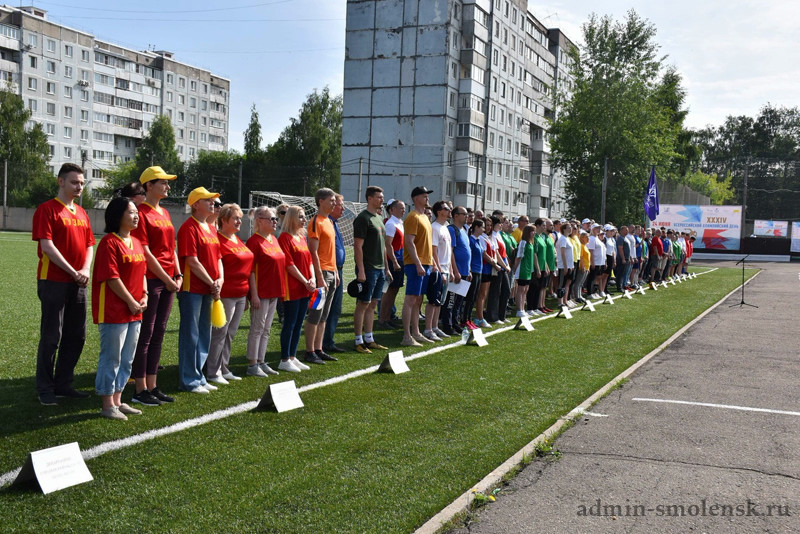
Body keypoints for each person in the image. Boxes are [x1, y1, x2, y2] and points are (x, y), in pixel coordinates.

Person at [32, 163, 95, 405]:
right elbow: (47, 247)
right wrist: (73, 271)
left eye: (81, 182)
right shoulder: (47, 209)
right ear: (60, 182)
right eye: (74, 182)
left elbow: (90, 244)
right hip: (53, 281)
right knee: (51, 337)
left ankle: (64, 383)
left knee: (77, 335)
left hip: (78, 281)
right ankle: (45, 388)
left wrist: (85, 269)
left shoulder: (81, 212)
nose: (79, 187)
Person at [92, 197, 148, 420]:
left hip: (135, 310)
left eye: (136, 212)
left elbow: (142, 272)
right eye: (131, 212)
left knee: (127, 359)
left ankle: (118, 399)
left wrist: (143, 295)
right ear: (117, 216)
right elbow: (112, 278)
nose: (136, 216)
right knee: (112, 357)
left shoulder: (135, 242)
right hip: (114, 311)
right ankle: (107, 404)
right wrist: (131, 301)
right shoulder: (109, 242)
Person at [130, 166, 180, 407]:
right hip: (151, 280)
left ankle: (153, 385)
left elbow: (172, 248)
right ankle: (140, 388)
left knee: (158, 333)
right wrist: (168, 278)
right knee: (146, 335)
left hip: (168, 279)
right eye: (163, 182)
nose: (168, 187)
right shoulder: (141, 213)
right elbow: (146, 252)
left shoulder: (165, 213)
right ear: (149, 185)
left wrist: (177, 273)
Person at [176, 187, 223, 394]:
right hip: (192, 288)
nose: (213, 203)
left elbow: (218, 258)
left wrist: (219, 279)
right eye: (208, 200)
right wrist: (212, 281)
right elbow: (191, 261)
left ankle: (199, 376)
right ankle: (189, 379)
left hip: (208, 287)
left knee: (204, 333)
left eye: (213, 200)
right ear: (195, 204)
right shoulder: (189, 228)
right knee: (191, 334)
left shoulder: (211, 228)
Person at [206, 204, 253, 385]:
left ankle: (223, 367)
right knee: (219, 334)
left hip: (241, 294)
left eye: (240, 218)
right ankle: (212, 371)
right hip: (226, 294)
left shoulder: (237, 239)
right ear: (224, 220)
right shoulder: (218, 239)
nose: (239, 221)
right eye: (235, 218)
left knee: (230, 334)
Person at [245, 206, 285, 376]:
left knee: (266, 328)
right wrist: (253, 294)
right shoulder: (254, 241)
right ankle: (252, 364)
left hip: (273, 291)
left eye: (276, 218)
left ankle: (261, 360)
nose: (275, 221)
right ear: (260, 221)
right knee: (257, 327)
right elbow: (251, 271)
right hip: (261, 292)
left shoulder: (273, 239)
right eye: (272, 219)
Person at [352, 186, 392, 353]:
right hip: (368, 268)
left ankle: (369, 338)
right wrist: (361, 270)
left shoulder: (378, 218)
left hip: (380, 268)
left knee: (373, 304)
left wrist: (387, 268)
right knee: (363, 303)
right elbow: (358, 246)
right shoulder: (363, 218)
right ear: (369, 198)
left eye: (382, 197)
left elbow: (383, 247)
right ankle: (358, 341)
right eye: (378, 197)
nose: (381, 200)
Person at [304, 188, 340, 364]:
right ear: (321, 201)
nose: (334, 203)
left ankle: (319, 348)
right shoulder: (315, 222)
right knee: (315, 314)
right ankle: (309, 351)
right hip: (322, 273)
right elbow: (313, 251)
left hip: (331, 272)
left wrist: (335, 272)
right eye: (331, 200)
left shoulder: (329, 221)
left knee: (324, 314)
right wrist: (319, 276)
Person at [278, 206, 316, 372]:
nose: (304, 220)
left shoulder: (301, 238)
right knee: (290, 323)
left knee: (299, 323)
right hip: (292, 287)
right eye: (300, 217)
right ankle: (284, 358)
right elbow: (289, 264)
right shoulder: (284, 238)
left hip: (305, 287)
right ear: (292, 218)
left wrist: (312, 278)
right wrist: (304, 280)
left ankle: (292, 356)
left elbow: (309, 261)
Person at [400, 186, 435, 347]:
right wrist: (418, 263)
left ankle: (416, 332)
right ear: (415, 198)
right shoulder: (413, 217)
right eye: (423, 195)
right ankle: (407, 336)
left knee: (418, 300)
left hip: (425, 263)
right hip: (416, 264)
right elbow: (409, 242)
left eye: (427, 195)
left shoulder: (425, 217)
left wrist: (430, 262)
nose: (427, 197)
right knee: (411, 299)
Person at [424, 200, 452, 340]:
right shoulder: (434, 227)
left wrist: (450, 270)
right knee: (433, 300)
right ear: (439, 212)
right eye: (446, 209)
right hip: (437, 270)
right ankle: (428, 329)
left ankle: (435, 327)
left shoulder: (445, 227)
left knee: (440, 301)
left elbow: (448, 252)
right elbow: (433, 251)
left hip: (446, 269)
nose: (449, 211)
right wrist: (440, 271)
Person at [441, 205, 470, 335]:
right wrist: (455, 271)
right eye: (464, 214)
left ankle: (455, 323)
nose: (467, 216)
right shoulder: (452, 230)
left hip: (464, 271)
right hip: (456, 272)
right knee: (450, 301)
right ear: (456, 215)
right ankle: (448, 325)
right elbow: (451, 252)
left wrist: (468, 270)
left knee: (459, 301)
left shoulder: (463, 230)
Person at [323, 194, 347, 354]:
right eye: (339, 205)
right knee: (325, 309)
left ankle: (328, 341)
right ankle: (321, 344)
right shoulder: (324, 223)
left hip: (337, 269)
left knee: (335, 308)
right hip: (328, 270)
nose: (342, 208)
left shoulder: (335, 223)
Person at [378, 199, 405, 329]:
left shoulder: (400, 223)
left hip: (400, 260)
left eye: (404, 208)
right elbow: (388, 244)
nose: (403, 210)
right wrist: (394, 261)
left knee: (394, 291)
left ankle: (388, 318)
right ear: (391, 210)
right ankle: (382, 319)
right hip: (392, 261)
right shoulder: (390, 224)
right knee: (387, 292)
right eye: (400, 208)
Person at [463, 218, 486, 329]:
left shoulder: (478, 240)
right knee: (469, 297)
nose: (484, 229)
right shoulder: (470, 240)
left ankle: (469, 319)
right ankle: (464, 319)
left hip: (479, 271)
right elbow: (468, 257)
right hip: (473, 271)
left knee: (474, 297)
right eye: (482, 227)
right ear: (476, 227)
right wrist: (469, 270)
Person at [513, 225, 535, 317]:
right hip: (522, 269)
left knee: (526, 289)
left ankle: (523, 308)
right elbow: (519, 256)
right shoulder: (523, 242)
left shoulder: (530, 243)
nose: (534, 233)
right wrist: (515, 269)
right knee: (521, 289)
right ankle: (519, 310)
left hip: (528, 270)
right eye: (532, 231)